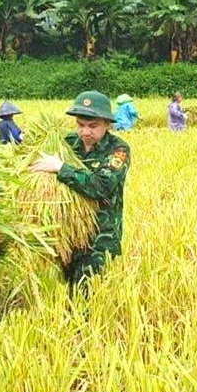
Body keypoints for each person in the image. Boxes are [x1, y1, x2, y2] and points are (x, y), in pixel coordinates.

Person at [30, 90, 130, 292]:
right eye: (80, 125)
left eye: (93, 126)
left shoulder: (118, 149)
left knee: (87, 294)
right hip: (68, 234)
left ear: (106, 124)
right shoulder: (67, 144)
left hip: (100, 237)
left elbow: (102, 186)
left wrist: (61, 168)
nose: (85, 132)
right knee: (68, 290)